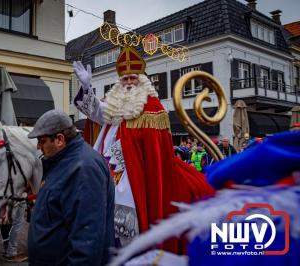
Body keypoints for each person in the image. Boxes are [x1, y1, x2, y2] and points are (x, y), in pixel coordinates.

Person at [73, 46, 215, 252]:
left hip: (133, 171)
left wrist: (123, 154)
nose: (129, 82)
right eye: (125, 79)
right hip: (108, 167)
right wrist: (86, 87)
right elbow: (95, 111)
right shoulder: (114, 103)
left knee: (123, 221)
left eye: (133, 78)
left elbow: (156, 148)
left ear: (142, 79)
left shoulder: (152, 106)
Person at [27, 109, 115, 265]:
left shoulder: (84, 168)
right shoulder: (63, 160)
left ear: (60, 139)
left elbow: (87, 241)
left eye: (42, 141)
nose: (38, 146)